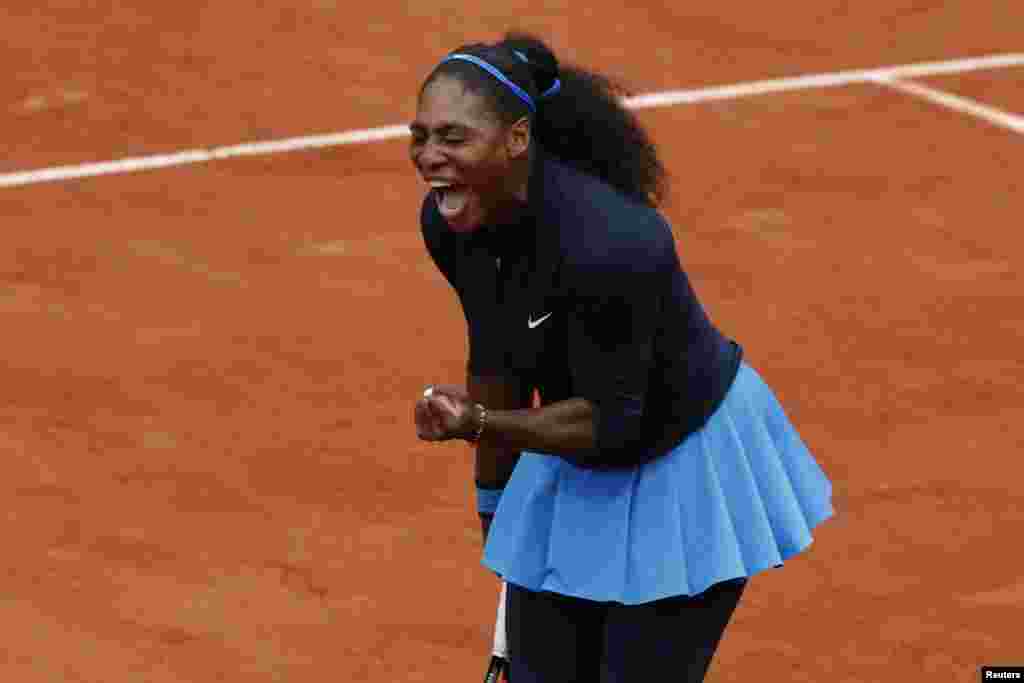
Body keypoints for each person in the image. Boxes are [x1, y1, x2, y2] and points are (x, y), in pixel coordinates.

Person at [411, 32, 834, 683]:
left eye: (454, 138)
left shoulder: (612, 243)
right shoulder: (451, 225)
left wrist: (478, 426)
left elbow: (612, 422)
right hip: (572, 455)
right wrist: (496, 510)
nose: (430, 157)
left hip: (680, 467)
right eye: (421, 136)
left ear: (518, 139)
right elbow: (497, 359)